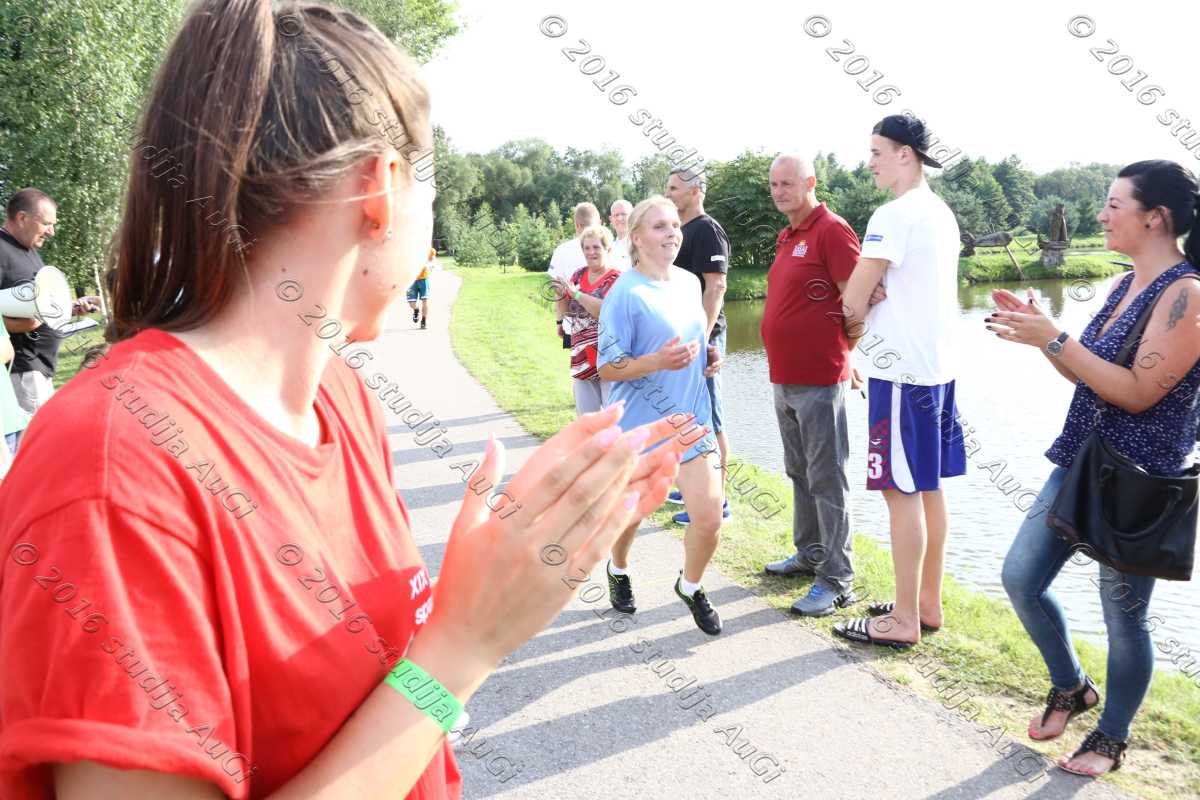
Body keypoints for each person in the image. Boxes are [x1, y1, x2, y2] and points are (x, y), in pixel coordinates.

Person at [0, 2, 689, 798]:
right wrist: (464, 645)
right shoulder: (115, 468)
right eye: (432, 191)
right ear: (380, 189)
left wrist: (494, 581)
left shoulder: (341, 396)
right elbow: (428, 679)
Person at [990, 160, 1200, 776]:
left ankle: (1111, 738)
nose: (1102, 216)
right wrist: (1041, 335)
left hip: (1139, 477)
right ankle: (1072, 686)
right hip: (1083, 458)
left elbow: (1136, 392)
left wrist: (1056, 339)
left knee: (1123, 615)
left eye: (1113, 205)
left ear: (1155, 217)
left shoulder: (1187, 295)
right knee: (1021, 577)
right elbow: (1089, 373)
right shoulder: (1126, 283)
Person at [832, 114, 965, 649]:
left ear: (905, 153)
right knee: (927, 486)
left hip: (900, 375)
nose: (870, 163)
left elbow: (849, 302)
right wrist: (870, 290)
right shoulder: (941, 213)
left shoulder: (893, 213)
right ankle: (926, 602)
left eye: (877, 152)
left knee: (898, 490)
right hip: (936, 372)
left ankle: (904, 619)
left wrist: (856, 318)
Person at [597, 195, 725, 635]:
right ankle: (618, 567)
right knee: (631, 513)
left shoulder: (689, 283)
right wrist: (657, 362)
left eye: (674, 225)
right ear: (636, 238)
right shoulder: (624, 294)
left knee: (709, 519)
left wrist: (708, 356)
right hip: (643, 427)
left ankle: (690, 586)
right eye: (659, 226)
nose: (672, 232)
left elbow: (694, 340)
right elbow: (607, 366)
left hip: (692, 420)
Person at [759, 154, 865, 616]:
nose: (778, 192)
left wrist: (847, 355)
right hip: (784, 376)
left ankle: (837, 578)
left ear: (810, 183)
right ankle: (810, 554)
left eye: (787, 183)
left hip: (820, 377)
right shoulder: (788, 235)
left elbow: (857, 303)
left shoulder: (832, 230)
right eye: (773, 185)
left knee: (827, 477)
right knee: (799, 471)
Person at [0, 188, 100, 445]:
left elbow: (36, 303)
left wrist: (69, 307)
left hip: (39, 369)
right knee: (37, 448)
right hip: (23, 371)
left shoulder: (29, 250)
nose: (52, 232)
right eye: (46, 223)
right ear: (22, 218)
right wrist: (23, 325)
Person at [663, 167, 732, 523]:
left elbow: (716, 286)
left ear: (695, 191)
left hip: (704, 339)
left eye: (674, 188)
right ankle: (695, 488)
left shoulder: (707, 230)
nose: (668, 194)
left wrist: (702, 340)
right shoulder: (681, 231)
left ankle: (718, 503)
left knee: (710, 419)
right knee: (688, 416)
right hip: (683, 339)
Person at [556, 225, 621, 415]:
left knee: (613, 418)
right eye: (586, 248)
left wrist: (576, 294)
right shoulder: (578, 275)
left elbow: (605, 312)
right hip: (582, 358)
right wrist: (561, 298)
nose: (591, 252)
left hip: (609, 358)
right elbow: (568, 310)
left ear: (608, 249)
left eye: (596, 247)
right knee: (586, 419)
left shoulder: (616, 279)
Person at [549, 202, 601, 348]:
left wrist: (560, 321)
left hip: (574, 324)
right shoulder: (609, 248)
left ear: (577, 225)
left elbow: (559, 291)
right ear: (599, 223)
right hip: (604, 325)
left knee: (579, 361)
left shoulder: (562, 251)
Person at [407, 246, 434, 329]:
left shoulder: (429, 249)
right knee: (411, 303)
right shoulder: (406, 247)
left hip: (423, 279)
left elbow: (432, 261)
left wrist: (429, 265)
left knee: (425, 300)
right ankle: (416, 310)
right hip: (410, 280)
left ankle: (424, 321)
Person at [608, 199, 633, 271]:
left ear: (632, 216)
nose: (619, 218)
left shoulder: (640, 245)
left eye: (624, 214)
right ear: (611, 219)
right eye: (616, 215)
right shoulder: (609, 247)